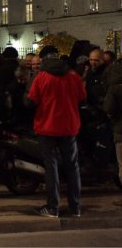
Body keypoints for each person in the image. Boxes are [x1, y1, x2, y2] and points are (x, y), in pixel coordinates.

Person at [27, 45, 86, 218]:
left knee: (51, 168)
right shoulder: (73, 77)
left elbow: (31, 101)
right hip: (69, 127)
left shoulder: (41, 78)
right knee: (72, 167)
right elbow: (82, 97)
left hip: (47, 127)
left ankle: (53, 207)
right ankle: (75, 207)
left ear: (44, 59)